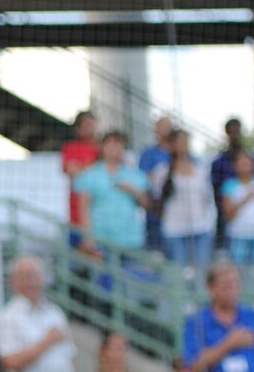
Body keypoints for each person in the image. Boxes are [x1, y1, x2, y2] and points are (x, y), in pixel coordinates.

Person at [73, 130, 151, 260]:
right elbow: (83, 208)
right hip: (101, 241)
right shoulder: (89, 175)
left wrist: (133, 190)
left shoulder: (135, 175)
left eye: (118, 145)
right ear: (102, 148)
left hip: (130, 241)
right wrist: (88, 237)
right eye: (110, 145)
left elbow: (147, 204)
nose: (114, 149)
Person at [150, 128, 217, 270]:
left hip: (201, 228)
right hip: (174, 229)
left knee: (202, 272)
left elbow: (208, 199)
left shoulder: (200, 170)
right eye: (178, 142)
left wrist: (209, 222)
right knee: (178, 273)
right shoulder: (161, 171)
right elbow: (157, 202)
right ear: (171, 145)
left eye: (186, 142)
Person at [209, 118, 254, 248]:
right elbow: (216, 192)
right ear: (227, 134)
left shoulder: (253, 159)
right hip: (226, 218)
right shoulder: (219, 163)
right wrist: (227, 211)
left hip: (253, 219)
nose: (235, 135)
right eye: (232, 132)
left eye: (237, 131)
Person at [60, 110, 100, 240]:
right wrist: (96, 164)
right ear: (78, 128)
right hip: (77, 215)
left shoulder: (103, 148)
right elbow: (72, 171)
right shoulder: (70, 148)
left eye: (92, 124)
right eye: (86, 125)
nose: (91, 128)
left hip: (102, 216)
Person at [138, 114, 175, 253]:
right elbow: (144, 180)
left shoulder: (179, 153)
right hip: (156, 209)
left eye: (168, 126)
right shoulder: (148, 154)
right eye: (161, 126)